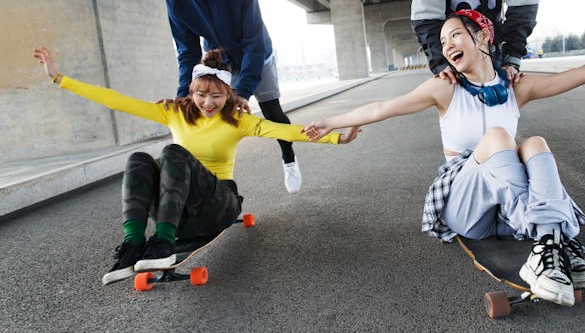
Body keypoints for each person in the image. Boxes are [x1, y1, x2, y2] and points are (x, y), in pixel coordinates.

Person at [302, 9, 585, 307]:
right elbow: (383, 106)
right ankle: (551, 239)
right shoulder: (444, 89)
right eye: (442, 41)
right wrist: (331, 121)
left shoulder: (514, 87)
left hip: (507, 211)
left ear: (483, 36)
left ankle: (546, 241)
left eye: (456, 35)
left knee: (535, 142)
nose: (447, 45)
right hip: (464, 205)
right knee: (500, 137)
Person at [32, 46, 359, 285]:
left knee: (173, 154)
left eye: (216, 96)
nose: (207, 103)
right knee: (139, 160)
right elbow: (117, 100)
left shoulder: (238, 120)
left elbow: (284, 131)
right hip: (178, 205)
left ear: (228, 94)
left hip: (219, 203)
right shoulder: (173, 111)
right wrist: (59, 78)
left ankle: (162, 240)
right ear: (192, 90)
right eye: (201, 94)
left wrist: (336, 138)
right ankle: (133, 243)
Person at [158, 0, 305, 194]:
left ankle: (289, 159)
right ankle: (214, 187)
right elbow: (187, 52)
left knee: (271, 111)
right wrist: (183, 94)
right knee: (209, 116)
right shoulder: (174, 1)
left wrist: (243, 92)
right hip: (219, 60)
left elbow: (253, 40)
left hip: (257, 52)